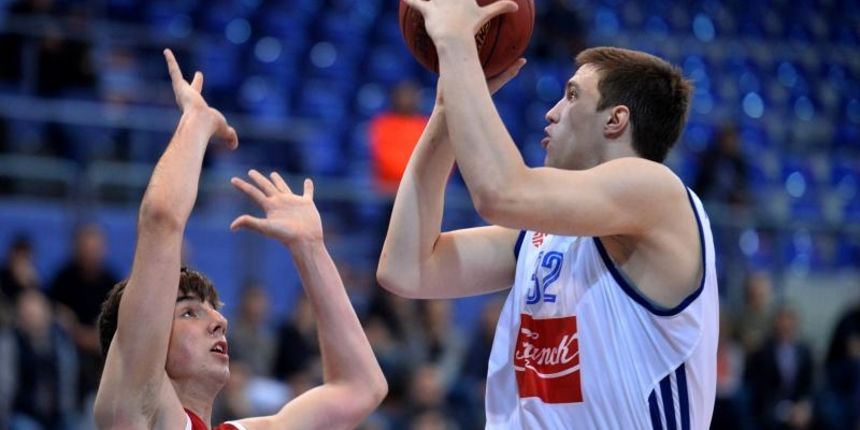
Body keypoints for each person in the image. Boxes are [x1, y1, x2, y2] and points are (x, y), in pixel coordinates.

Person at [378, 1, 718, 428]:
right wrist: (448, 110)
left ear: (615, 120)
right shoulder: (545, 235)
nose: (552, 111)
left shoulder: (656, 191)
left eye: (572, 95)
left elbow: (500, 192)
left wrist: (457, 43)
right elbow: (407, 269)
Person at [93, 49, 387, 430]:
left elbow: (360, 388)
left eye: (211, 309)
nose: (219, 321)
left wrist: (311, 250)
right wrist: (196, 124)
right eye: (188, 312)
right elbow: (161, 220)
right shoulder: (134, 412)